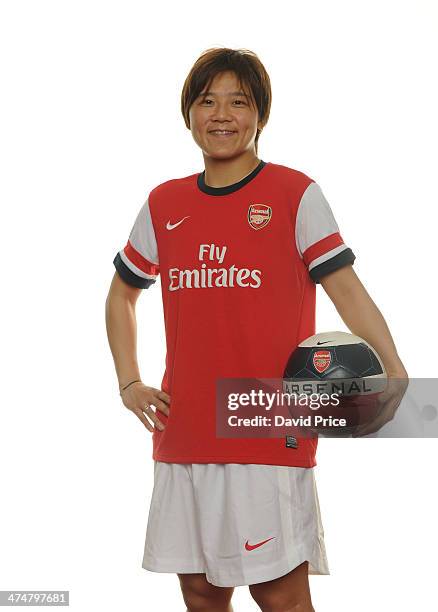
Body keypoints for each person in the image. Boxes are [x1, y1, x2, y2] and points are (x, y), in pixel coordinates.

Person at [105, 47, 408, 612]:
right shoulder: (163, 203)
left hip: (264, 422)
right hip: (184, 427)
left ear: (260, 115)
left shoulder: (295, 194)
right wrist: (130, 381)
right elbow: (123, 293)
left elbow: (346, 289)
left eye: (238, 102)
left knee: (281, 596)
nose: (221, 114)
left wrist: (394, 369)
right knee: (199, 591)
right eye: (207, 101)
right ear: (189, 114)